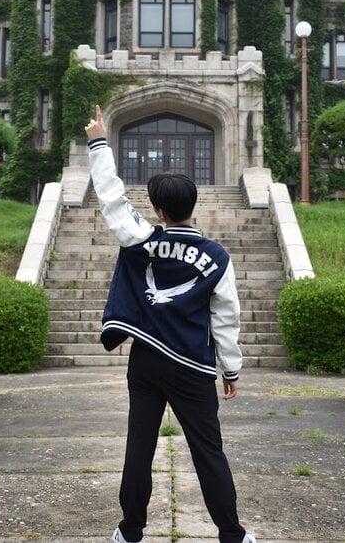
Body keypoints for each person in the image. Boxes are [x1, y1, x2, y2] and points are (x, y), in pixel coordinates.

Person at [84, 105, 256, 543]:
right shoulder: (217, 256)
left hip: (145, 359)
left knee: (139, 447)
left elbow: (111, 199)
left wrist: (100, 141)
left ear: (159, 210)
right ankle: (232, 536)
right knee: (208, 451)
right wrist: (230, 370)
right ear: (191, 207)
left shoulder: (142, 238)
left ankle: (130, 532)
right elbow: (226, 316)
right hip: (194, 366)